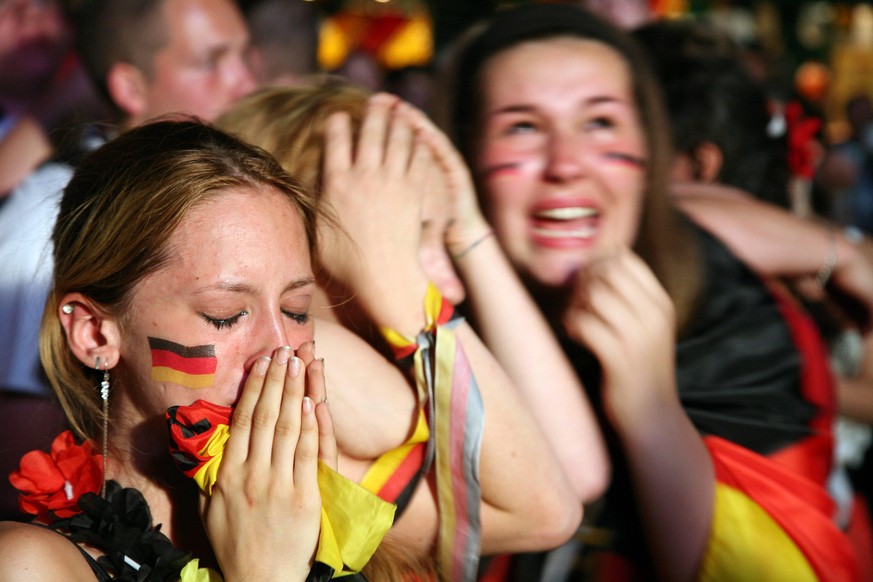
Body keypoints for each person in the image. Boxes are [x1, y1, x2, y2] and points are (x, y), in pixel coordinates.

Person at [444, 4, 860, 580]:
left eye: (600, 124)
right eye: (522, 126)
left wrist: (651, 408)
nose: (566, 165)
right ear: (464, 155)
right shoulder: (417, 312)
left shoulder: (745, 321)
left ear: (649, 152)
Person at [217, 83, 594, 580]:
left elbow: (576, 465)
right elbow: (549, 511)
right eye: (415, 236)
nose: (453, 284)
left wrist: (470, 233)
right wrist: (396, 280)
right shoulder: (276, 365)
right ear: (316, 239)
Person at [0, 119, 392, 581]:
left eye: (296, 308)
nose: (279, 348)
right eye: (224, 314)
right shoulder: (28, 564)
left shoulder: (340, 511)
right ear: (95, 335)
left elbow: (493, 504)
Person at [73, 0, 257, 132]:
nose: (249, 86)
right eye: (209, 62)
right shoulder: (70, 184)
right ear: (131, 89)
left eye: (244, 56)